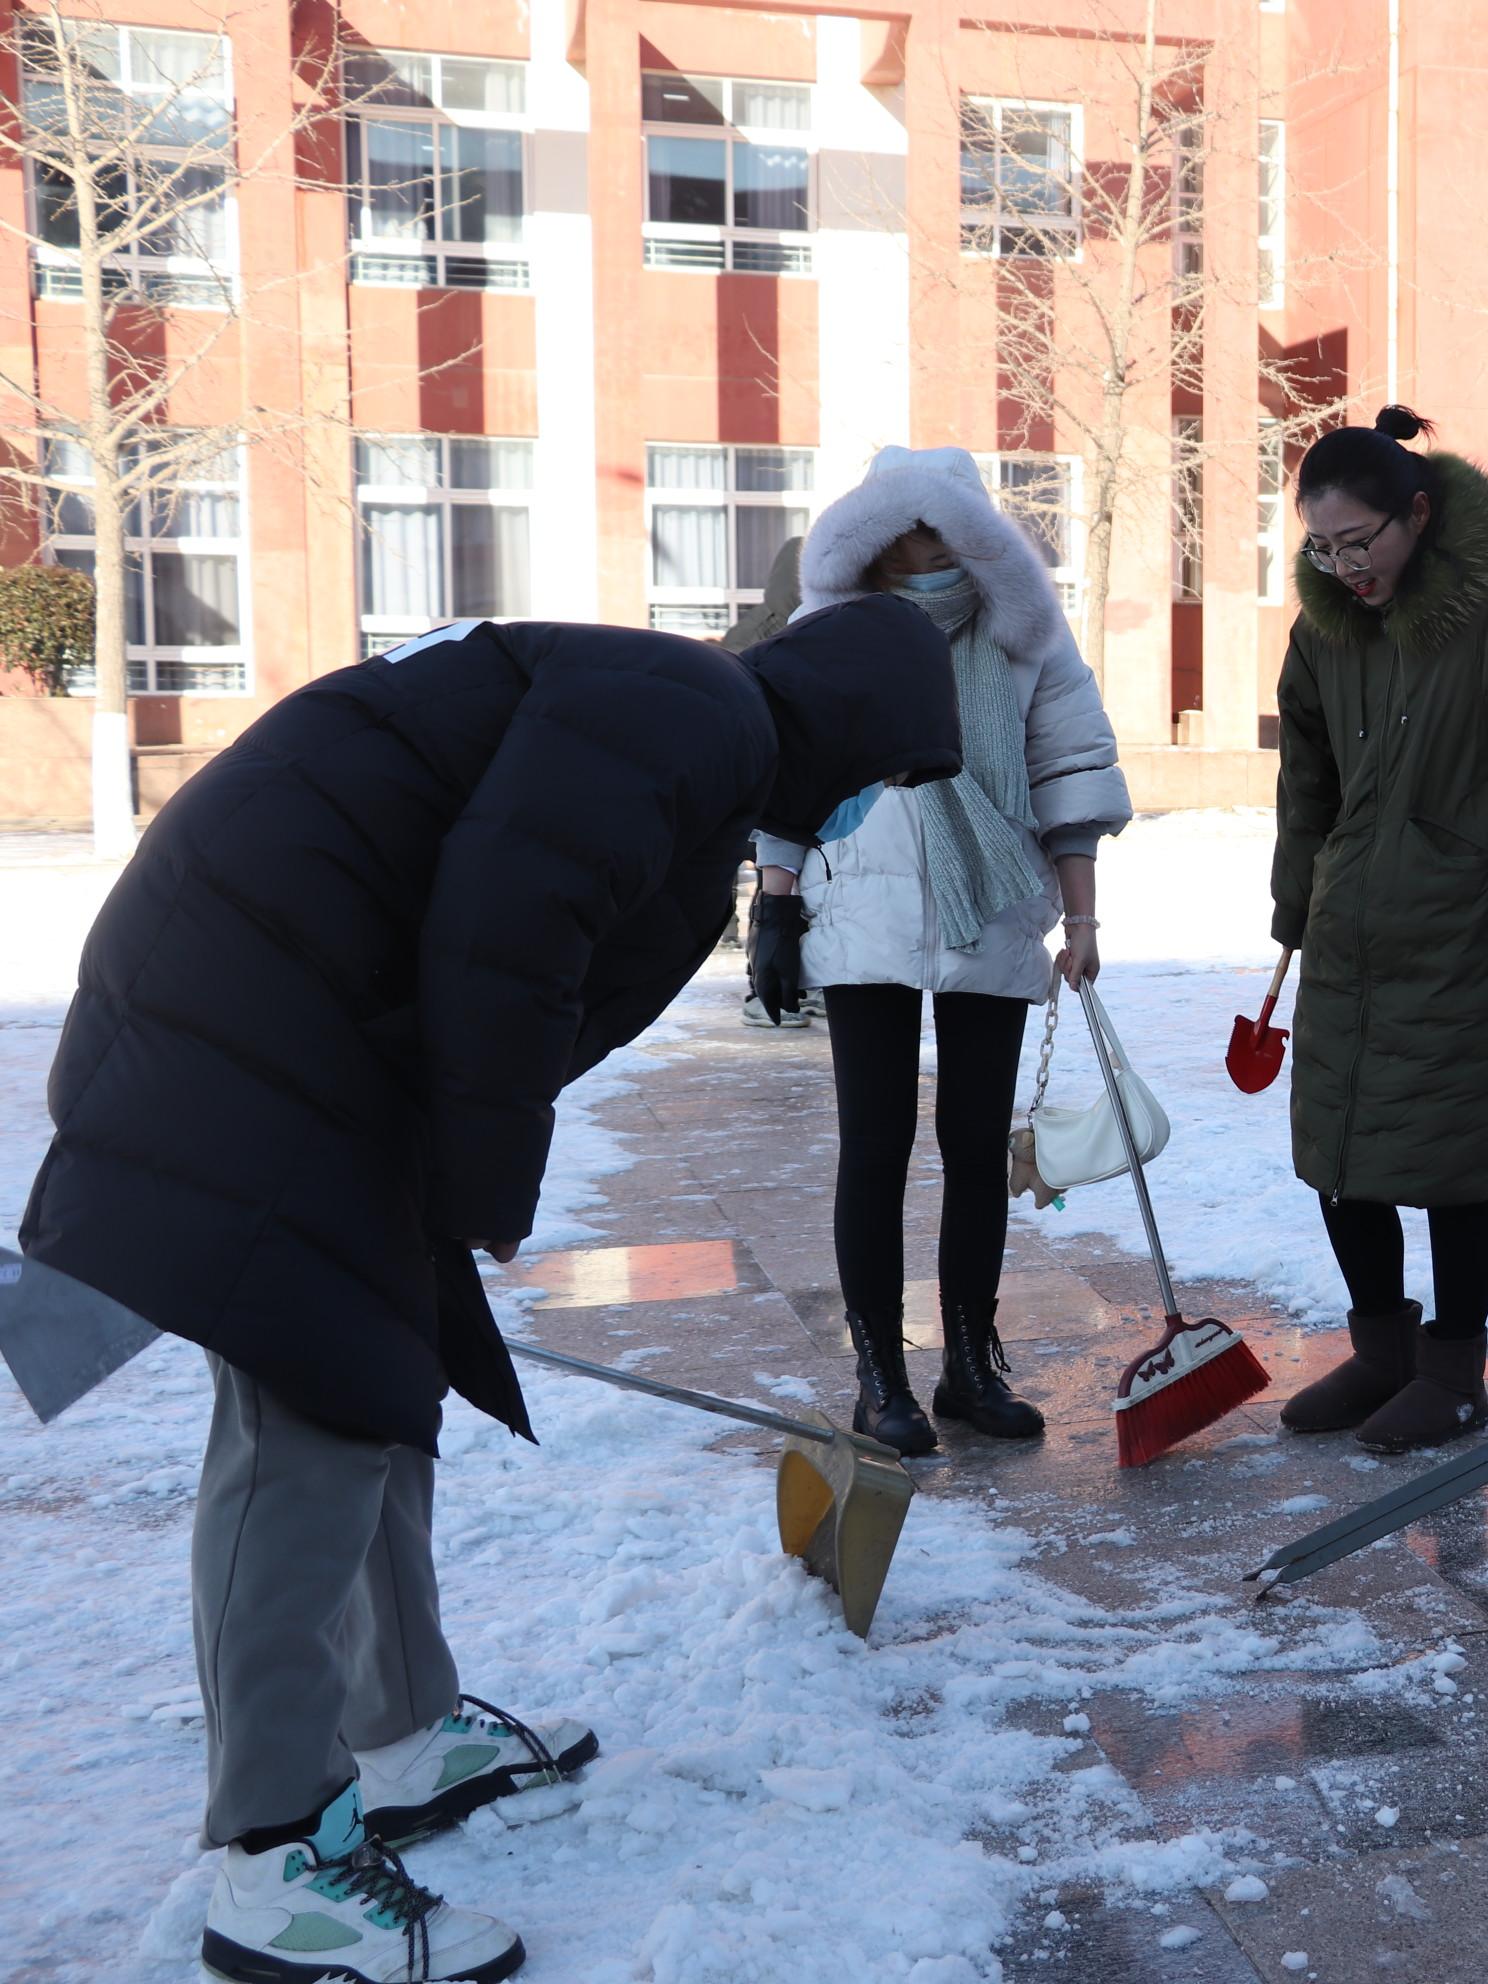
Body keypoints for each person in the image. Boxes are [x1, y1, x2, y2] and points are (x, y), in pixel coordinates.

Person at [16, 603, 959, 1982]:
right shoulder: (703, 713)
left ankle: (401, 1730)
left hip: (298, 984)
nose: (872, 803)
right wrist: (483, 1178)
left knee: (374, 1363)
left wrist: (443, 1183)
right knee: (312, 1411)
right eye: (886, 774)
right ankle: (273, 1854)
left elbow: (510, 913)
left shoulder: (691, 721)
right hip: (267, 996)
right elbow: (513, 919)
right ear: (854, 722)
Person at [748, 446, 1132, 1459]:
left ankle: (970, 1363)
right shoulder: (829, 637)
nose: (921, 552)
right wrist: (774, 906)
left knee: (974, 1149)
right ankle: (883, 1376)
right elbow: (789, 769)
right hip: (860, 911)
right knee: (872, 1148)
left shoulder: (1025, 639)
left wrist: (1083, 920)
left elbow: (1070, 769)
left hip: (994, 907)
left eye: (940, 531)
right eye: (901, 531)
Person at [1270, 406, 1488, 1451]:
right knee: (1338, 1151)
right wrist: (1295, 904)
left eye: (1358, 541)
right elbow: (1305, 778)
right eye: (1322, 545)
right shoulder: (1324, 630)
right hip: (1351, 930)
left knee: (1449, 1163)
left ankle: (1455, 1372)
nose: (1342, 564)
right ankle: (1382, 1354)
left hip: (1465, 937)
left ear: (1417, 514)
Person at [726, 533, 820, 1027]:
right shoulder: (780, 637)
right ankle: (762, 991)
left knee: (778, 885)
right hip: (760, 779)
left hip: (761, 778)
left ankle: (792, 983)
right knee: (772, 886)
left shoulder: (757, 632)